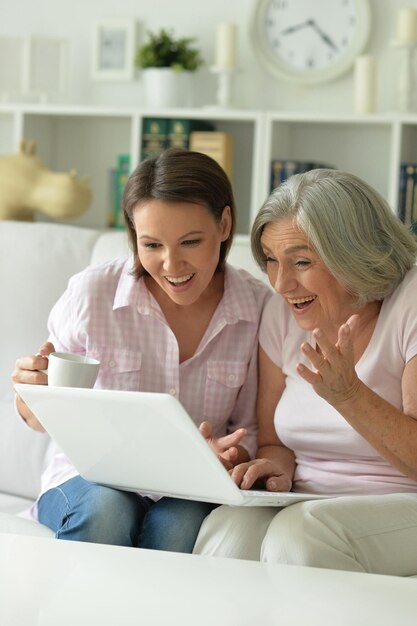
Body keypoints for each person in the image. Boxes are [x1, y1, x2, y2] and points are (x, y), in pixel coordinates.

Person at [12, 149, 271, 552]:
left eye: (190, 241)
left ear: (224, 224)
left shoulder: (257, 309)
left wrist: (230, 454)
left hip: (189, 485)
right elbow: (39, 416)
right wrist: (33, 390)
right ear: (133, 234)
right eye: (152, 244)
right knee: (108, 509)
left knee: (180, 523)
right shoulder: (92, 293)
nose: (171, 264)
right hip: (88, 480)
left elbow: (251, 431)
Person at [193, 168, 417, 576]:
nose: (281, 283)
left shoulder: (410, 303)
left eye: (301, 262)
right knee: (228, 528)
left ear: (353, 253)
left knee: (300, 535)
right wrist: (272, 468)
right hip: (305, 499)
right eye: (272, 262)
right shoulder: (282, 314)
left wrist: (350, 396)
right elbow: (275, 442)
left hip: (403, 501)